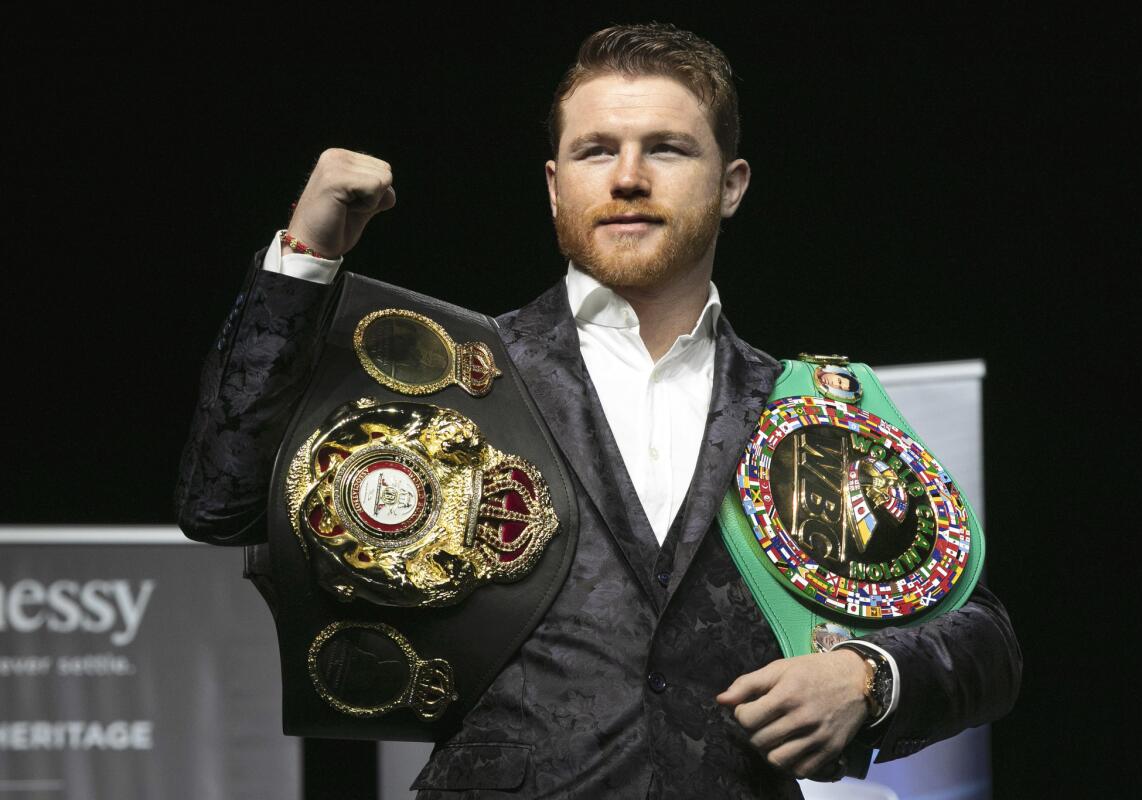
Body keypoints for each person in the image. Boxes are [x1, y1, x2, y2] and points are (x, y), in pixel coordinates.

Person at [176, 23, 1020, 799]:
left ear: (731, 185)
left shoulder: (804, 407)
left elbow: (984, 638)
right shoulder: (443, 375)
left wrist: (870, 678)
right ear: (554, 184)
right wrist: (306, 259)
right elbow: (223, 503)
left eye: (666, 149)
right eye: (594, 151)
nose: (626, 177)